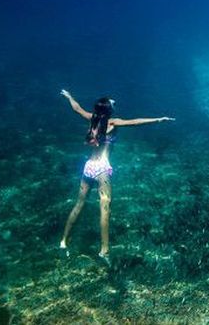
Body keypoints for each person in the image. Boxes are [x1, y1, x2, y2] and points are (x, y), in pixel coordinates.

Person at [58, 89, 174, 263]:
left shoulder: (92, 118)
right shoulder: (113, 122)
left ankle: (63, 242)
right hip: (102, 170)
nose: (114, 104)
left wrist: (69, 96)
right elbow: (136, 122)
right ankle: (104, 251)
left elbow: (76, 108)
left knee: (78, 205)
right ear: (108, 110)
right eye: (112, 104)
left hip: (88, 167)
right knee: (105, 210)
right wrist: (159, 119)